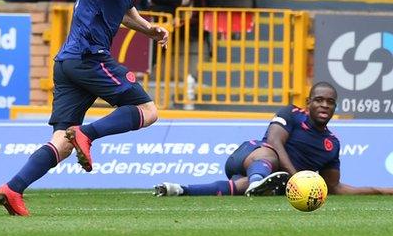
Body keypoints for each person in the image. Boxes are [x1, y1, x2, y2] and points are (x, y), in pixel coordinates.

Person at [0, 0, 169, 216]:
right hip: (89, 56)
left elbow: (125, 12)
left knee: (62, 143)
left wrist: (149, 29)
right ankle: (85, 134)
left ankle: (13, 188)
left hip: (67, 63)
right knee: (146, 110)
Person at [154, 82, 393, 197]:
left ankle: (180, 190)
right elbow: (274, 141)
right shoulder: (291, 113)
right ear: (308, 102)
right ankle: (259, 181)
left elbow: (334, 187)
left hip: (276, 179)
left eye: (330, 102)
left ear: (334, 107)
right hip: (250, 156)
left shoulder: (333, 144)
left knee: (241, 188)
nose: (324, 105)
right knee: (270, 152)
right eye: (319, 100)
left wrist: (383, 191)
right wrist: (297, 177)